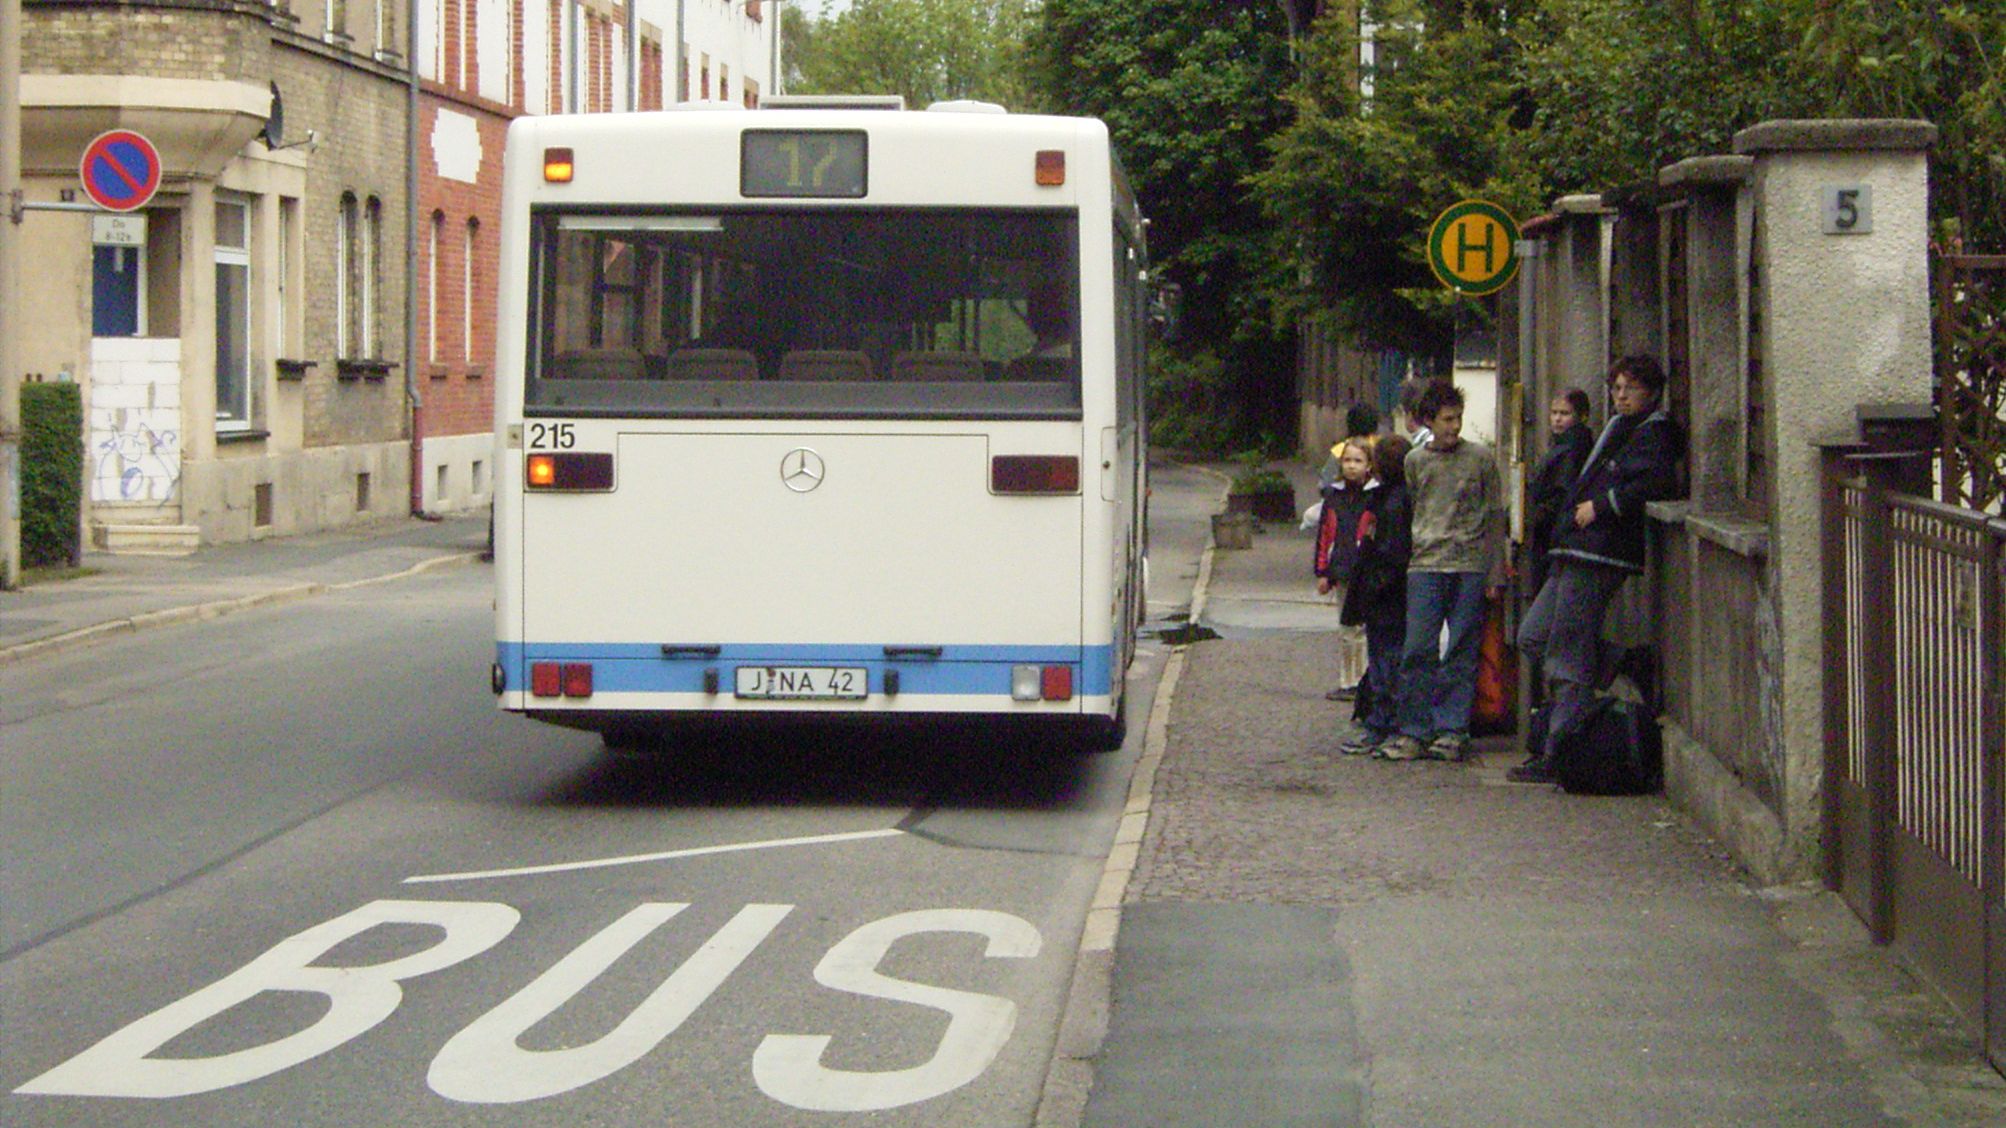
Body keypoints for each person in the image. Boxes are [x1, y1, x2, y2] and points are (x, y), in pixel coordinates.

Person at [1511, 356, 1684, 785]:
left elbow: (1655, 482)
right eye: (1616, 387)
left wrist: (1603, 506)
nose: (1621, 395)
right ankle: (1623, 660)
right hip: (1573, 546)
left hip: (1602, 550)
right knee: (1534, 636)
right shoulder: (1618, 427)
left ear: (1652, 391)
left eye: (1631, 388)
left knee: (1567, 654)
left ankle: (1561, 750)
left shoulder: (1656, 431)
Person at [1376, 381, 1507, 763]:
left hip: (1469, 565)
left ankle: (1452, 728)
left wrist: (1494, 571)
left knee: (1462, 649)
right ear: (1428, 421)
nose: (1454, 427)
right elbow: (1416, 503)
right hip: (1426, 565)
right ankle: (1414, 728)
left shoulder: (1481, 459)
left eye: (1458, 419)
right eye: (1447, 420)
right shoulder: (1416, 462)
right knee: (1418, 648)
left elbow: (1494, 514)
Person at [1336, 434, 1412, 754]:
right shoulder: (1398, 498)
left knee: (1385, 660)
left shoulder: (1392, 504)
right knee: (1386, 658)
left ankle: (1383, 723)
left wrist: (1372, 587)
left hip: (1386, 594)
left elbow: (1388, 553)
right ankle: (1384, 719)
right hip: (1392, 592)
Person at [1313, 435, 1377, 702]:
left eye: (1358, 460)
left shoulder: (1375, 496)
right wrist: (1322, 572)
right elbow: (1325, 535)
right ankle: (1347, 680)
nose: (1352, 466)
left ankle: (1363, 681)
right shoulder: (1334, 496)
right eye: (1348, 460)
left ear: (1369, 465)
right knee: (1346, 629)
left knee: (1363, 630)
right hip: (1341, 569)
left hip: (1367, 572)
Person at [1524, 388, 1594, 598]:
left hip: (1555, 533)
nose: (1557, 419)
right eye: (1554, 413)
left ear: (1580, 416)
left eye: (1564, 414)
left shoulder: (1572, 448)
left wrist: (1536, 517)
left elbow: (1561, 492)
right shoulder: (1562, 445)